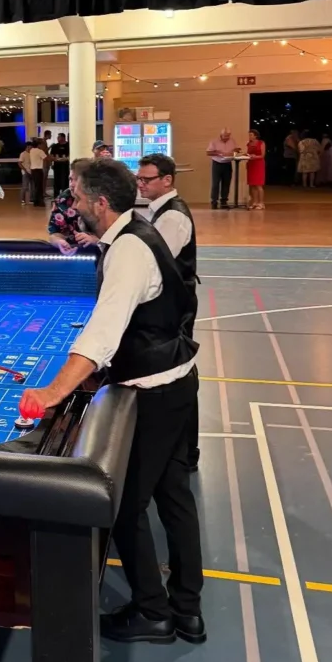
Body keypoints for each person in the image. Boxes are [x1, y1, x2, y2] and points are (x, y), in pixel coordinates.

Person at [19, 159, 204, 645]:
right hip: (178, 380)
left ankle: (153, 613)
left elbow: (104, 332)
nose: (73, 205)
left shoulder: (127, 251)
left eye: (79, 197)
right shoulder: (138, 233)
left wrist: (53, 391)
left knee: (123, 506)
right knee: (174, 496)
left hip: (154, 392)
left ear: (100, 204)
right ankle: (187, 609)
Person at [136, 153, 200, 471]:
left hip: (177, 308)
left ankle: (185, 454)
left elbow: (155, 264)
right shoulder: (159, 211)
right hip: (176, 304)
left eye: (146, 179)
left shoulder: (173, 217)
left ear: (167, 180)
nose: (141, 184)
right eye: (139, 179)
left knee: (179, 376)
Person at [206, 127, 238, 209]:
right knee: (215, 183)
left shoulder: (232, 141)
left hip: (227, 163)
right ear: (221, 135)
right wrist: (218, 153)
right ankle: (214, 202)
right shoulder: (214, 141)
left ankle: (224, 202)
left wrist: (235, 151)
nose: (227, 137)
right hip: (217, 163)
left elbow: (236, 150)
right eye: (225, 136)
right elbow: (208, 152)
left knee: (226, 183)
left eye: (228, 136)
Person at [246, 130, 266, 210]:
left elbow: (262, 155)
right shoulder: (248, 144)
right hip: (251, 164)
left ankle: (261, 203)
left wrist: (255, 156)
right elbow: (248, 153)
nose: (249, 136)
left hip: (258, 164)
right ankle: (255, 202)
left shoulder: (261, 143)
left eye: (251, 135)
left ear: (255, 136)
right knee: (252, 184)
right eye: (249, 135)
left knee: (258, 185)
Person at [27, 139, 47, 207]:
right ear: (39, 145)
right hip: (38, 170)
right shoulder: (40, 151)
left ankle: (36, 201)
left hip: (33, 170)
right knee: (39, 186)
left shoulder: (31, 150)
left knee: (36, 186)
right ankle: (40, 202)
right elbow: (45, 158)